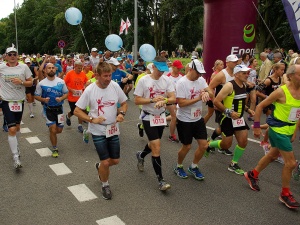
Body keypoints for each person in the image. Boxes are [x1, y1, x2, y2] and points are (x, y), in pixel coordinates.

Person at [244, 65, 300, 209]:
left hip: (288, 130)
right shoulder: (281, 92)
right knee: (291, 163)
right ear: (292, 76)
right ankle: (285, 193)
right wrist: (256, 126)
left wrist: (294, 132)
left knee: (272, 155)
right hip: (277, 129)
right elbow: (260, 106)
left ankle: (252, 174)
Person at [74, 62, 128, 200]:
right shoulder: (90, 90)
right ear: (97, 75)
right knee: (105, 162)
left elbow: (124, 103)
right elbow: (77, 111)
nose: (108, 79)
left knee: (115, 161)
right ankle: (105, 185)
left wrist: (121, 114)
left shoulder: (115, 86)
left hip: (113, 129)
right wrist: (92, 119)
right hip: (98, 130)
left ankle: (99, 166)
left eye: (110, 75)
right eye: (105, 76)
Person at [134, 56, 176, 191]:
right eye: (159, 70)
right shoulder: (143, 80)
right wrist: (152, 100)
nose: (162, 73)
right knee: (157, 146)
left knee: (153, 143)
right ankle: (161, 180)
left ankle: (141, 155)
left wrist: (164, 101)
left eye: (164, 70)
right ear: (153, 67)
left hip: (161, 116)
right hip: (148, 116)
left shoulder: (167, 80)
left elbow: (173, 98)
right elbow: (137, 101)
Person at [209, 65, 254, 175]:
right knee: (226, 145)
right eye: (244, 73)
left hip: (239, 119)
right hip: (227, 118)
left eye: (247, 73)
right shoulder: (229, 85)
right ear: (237, 74)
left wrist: (248, 110)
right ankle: (209, 145)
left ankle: (233, 164)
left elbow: (240, 102)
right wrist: (229, 112)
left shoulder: (243, 85)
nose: (247, 75)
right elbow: (217, 102)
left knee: (243, 141)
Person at [174, 59, 213, 180]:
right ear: (191, 70)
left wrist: (207, 93)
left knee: (204, 145)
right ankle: (178, 166)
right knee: (187, 146)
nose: (200, 75)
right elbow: (181, 103)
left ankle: (194, 166)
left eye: (201, 73)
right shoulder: (181, 83)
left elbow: (211, 91)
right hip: (184, 119)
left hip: (197, 118)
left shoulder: (201, 80)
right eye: (198, 73)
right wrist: (198, 98)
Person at [0, 44, 33, 169]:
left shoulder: (24, 67)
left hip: (19, 101)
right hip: (6, 101)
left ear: (17, 56)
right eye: (10, 54)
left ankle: (15, 145)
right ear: (6, 56)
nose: (12, 56)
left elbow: (30, 82)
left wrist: (22, 82)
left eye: (14, 54)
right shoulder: (1, 67)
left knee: (17, 128)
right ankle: (15, 157)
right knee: (12, 129)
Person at [34, 63, 68, 158]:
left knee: (59, 130)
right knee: (53, 129)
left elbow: (66, 93)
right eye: (49, 68)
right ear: (45, 70)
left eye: (53, 68)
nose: (51, 69)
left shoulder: (61, 82)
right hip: (48, 110)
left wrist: (61, 99)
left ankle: (52, 134)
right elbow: (36, 96)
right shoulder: (41, 83)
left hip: (59, 110)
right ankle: (54, 148)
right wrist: (43, 100)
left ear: (55, 69)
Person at [208, 55, 239, 155]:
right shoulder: (222, 75)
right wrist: (214, 101)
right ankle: (219, 145)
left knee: (224, 128)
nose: (235, 63)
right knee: (225, 128)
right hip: (221, 106)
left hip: (233, 105)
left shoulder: (236, 73)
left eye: (236, 61)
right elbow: (209, 88)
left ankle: (213, 141)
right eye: (233, 61)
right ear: (227, 62)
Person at [64, 60, 88, 133]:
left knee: (80, 111)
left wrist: (86, 86)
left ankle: (79, 125)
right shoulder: (69, 74)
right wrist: (71, 89)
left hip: (80, 96)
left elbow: (86, 82)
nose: (80, 70)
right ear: (75, 67)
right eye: (79, 68)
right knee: (74, 111)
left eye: (81, 68)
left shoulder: (83, 74)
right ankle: (68, 116)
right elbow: (64, 84)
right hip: (72, 97)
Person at [166, 60, 184, 142]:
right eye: (178, 68)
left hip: (180, 100)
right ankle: (171, 135)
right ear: (173, 67)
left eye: (180, 68)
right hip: (171, 100)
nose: (179, 69)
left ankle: (164, 119)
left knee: (178, 116)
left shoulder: (182, 76)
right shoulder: (168, 77)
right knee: (174, 117)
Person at [203, 59, 224, 124]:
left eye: (223, 64)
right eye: (221, 65)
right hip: (213, 97)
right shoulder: (215, 74)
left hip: (218, 97)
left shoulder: (221, 74)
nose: (223, 66)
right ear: (217, 66)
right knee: (210, 113)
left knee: (213, 113)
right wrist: (213, 99)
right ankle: (201, 126)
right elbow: (211, 88)